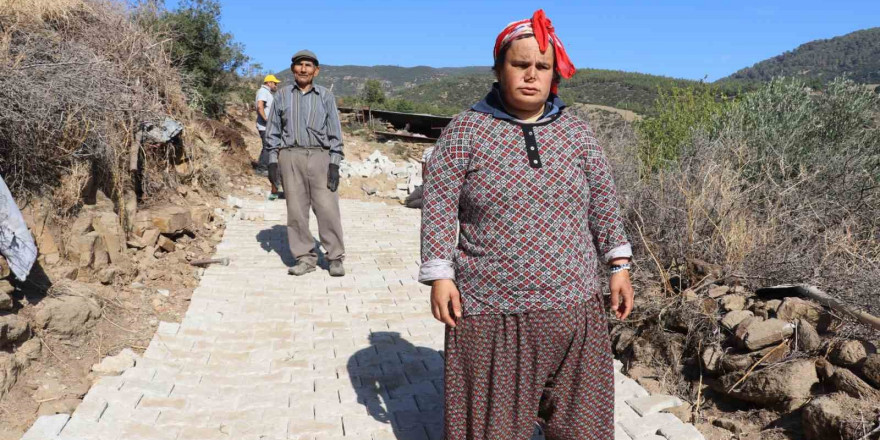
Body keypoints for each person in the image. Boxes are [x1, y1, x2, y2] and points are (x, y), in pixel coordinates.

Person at [419, 10, 635, 439]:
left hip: (574, 308)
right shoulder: (466, 131)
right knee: (493, 427)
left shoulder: (576, 132)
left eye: (542, 67)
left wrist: (618, 264)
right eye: (520, 65)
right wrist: (440, 275)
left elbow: (603, 202)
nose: (531, 76)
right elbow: (440, 205)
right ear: (499, 69)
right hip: (491, 310)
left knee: (581, 426)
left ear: (554, 73)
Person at [266, 50, 346, 277]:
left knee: (328, 208)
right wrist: (272, 162)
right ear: (293, 69)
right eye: (299, 65)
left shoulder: (325, 97)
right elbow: (272, 131)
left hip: (321, 156)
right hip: (290, 156)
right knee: (296, 210)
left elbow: (335, 133)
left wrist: (334, 163)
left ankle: (335, 257)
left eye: (308, 65)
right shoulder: (281, 96)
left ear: (316, 70)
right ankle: (305, 257)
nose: (303, 69)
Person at [255, 74, 282, 198]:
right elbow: (260, 106)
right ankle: (262, 169)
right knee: (267, 146)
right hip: (265, 126)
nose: (276, 85)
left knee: (267, 146)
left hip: (267, 126)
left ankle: (263, 167)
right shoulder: (263, 92)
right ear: (269, 83)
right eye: (275, 83)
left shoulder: (267, 93)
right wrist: (267, 120)